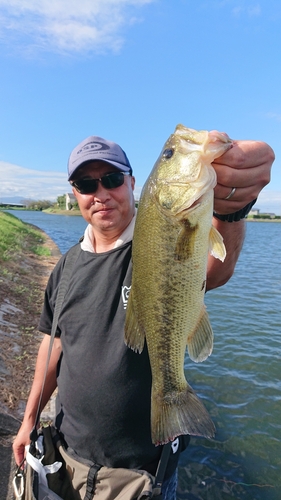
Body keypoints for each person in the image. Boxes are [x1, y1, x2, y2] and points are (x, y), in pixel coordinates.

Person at [13, 133, 274, 499]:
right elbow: (53, 347)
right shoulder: (67, 266)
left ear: (134, 183)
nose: (100, 193)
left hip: (139, 477)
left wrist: (232, 209)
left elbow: (217, 269)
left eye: (113, 179)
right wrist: (27, 422)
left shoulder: (154, 240)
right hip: (67, 461)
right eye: (86, 184)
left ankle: (171, 398)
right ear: (75, 194)